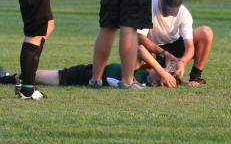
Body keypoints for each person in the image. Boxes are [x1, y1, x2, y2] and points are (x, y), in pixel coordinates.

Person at [0, 44, 177, 88]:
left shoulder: (143, 83)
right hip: (89, 72)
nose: (159, 80)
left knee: (49, 78)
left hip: (87, 78)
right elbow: (140, 49)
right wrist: (164, 71)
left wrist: (171, 78)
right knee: (49, 76)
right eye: (160, 76)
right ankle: (9, 77)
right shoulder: (139, 69)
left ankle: (9, 77)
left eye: (161, 83)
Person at [138, 0, 213, 85]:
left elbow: (189, 47)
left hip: (174, 46)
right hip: (152, 50)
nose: (168, 13)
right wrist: (164, 54)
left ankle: (195, 76)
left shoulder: (184, 13)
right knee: (139, 48)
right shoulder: (148, 5)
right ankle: (153, 74)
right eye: (166, 9)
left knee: (206, 32)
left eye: (172, 10)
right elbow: (140, 37)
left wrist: (182, 62)